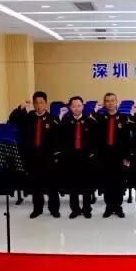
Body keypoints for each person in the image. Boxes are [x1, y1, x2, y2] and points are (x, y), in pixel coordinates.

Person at [13, 91, 61, 219]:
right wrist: (20, 108)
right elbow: (13, 120)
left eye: (41, 102)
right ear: (34, 104)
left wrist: (55, 156)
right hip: (33, 157)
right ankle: (37, 209)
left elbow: (58, 140)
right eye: (36, 103)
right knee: (36, 185)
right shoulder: (29, 117)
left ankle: (54, 209)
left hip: (48, 158)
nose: (39, 105)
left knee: (52, 186)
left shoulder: (53, 119)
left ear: (46, 103)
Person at [56, 96, 96, 219]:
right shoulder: (65, 122)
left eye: (79, 106)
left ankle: (87, 209)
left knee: (87, 186)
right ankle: (75, 209)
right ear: (70, 107)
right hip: (71, 159)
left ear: (83, 107)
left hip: (86, 159)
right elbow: (61, 140)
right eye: (74, 106)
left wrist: (91, 154)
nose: (77, 108)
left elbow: (94, 140)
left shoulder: (90, 121)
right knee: (72, 185)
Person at [92, 93, 130, 218]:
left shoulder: (124, 119)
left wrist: (126, 157)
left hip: (119, 157)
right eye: (107, 101)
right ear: (104, 103)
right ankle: (109, 207)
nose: (110, 103)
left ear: (116, 102)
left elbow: (127, 140)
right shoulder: (100, 119)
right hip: (104, 157)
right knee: (107, 182)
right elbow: (96, 140)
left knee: (119, 183)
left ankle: (118, 207)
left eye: (112, 100)